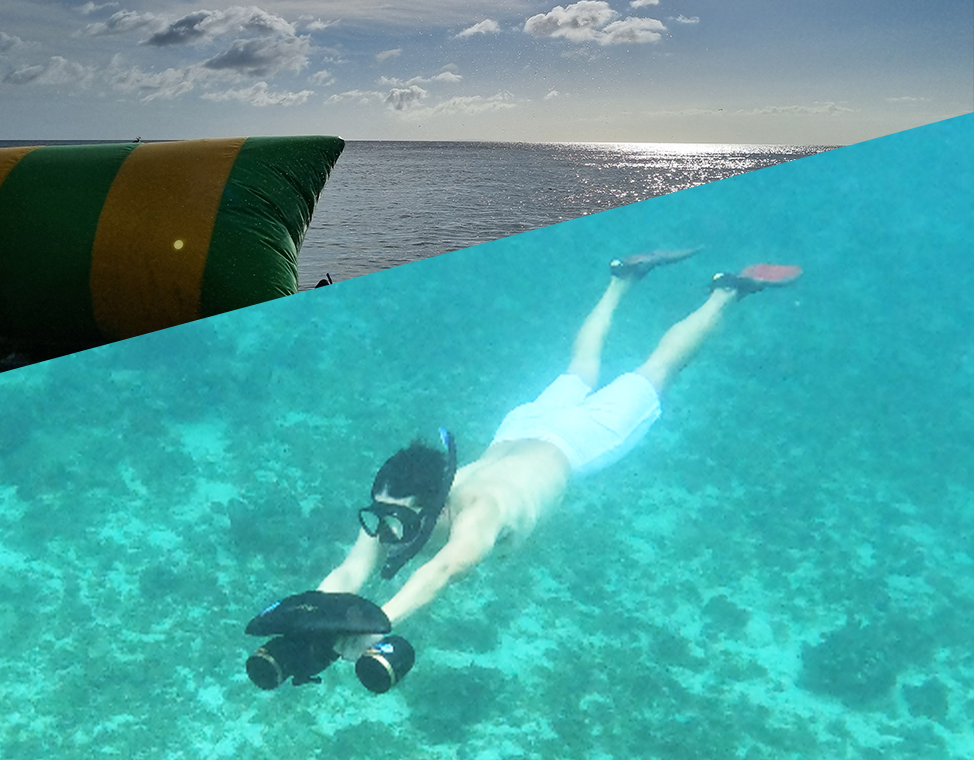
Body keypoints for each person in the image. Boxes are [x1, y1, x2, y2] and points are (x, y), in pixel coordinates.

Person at [319, 249, 801, 659]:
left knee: (658, 368)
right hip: (523, 429)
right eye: (381, 516)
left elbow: (440, 570)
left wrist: (378, 624)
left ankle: (727, 291)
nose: (386, 532)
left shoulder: (482, 510)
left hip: (577, 440)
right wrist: (310, 615)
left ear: (437, 505)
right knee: (582, 366)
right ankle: (622, 278)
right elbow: (350, 569)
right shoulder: (400, 504)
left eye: (398, 520)